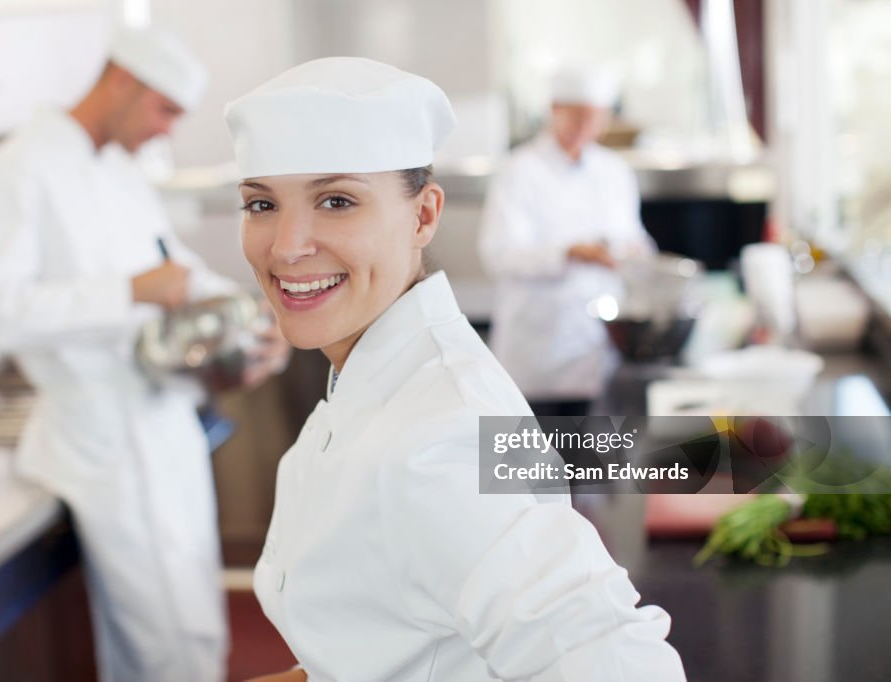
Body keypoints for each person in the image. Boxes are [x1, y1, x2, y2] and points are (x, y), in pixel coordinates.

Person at [224, 57, 685, 681]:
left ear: (424, 216)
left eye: (336, 201)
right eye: (261, 204)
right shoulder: (369, 380)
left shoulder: (442, 436)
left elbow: (621, 666)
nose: (286, 245)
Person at [0, 27, 288, 682]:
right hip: (100, 442)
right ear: (121, 82)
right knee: (160, 647)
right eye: (163, 110)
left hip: (166, 427)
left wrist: (262, 321)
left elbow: (178, 272)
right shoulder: (16, 170)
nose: (166, 131)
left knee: (193, 629)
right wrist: (125, 291)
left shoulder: (120, 174)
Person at [479, 64, 656, 416]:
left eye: (594, 118)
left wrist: (636, 254)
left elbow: (634, 239)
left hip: (597, 349)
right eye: (576, 117)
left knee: (593, 463)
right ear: (554, 112)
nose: (584, 128)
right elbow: (498, 255)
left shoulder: (614, 171)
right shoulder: (519, 170)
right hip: (537, 349)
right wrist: (570, 253)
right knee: (532, 464)